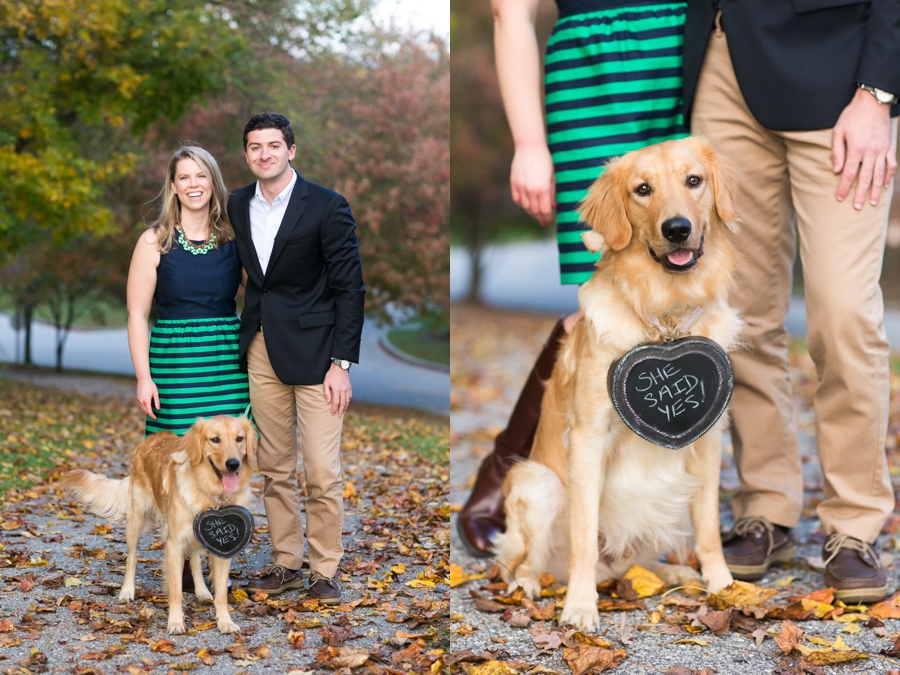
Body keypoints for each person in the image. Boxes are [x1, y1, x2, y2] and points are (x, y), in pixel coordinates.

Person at [683, 4, 900, 602]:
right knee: (742, 314)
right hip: (720, 63)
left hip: (838, 73)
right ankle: (766, 508)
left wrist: (877, 93)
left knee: (844, 314)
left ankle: (854, 524)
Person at [458, 0, 691, 556]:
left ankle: (641, 511)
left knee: (684, 303)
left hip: (688, 59)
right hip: (591, 74)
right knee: (598, 308)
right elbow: (509, 14)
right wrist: (529, 144)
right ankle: (504, 474)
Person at [227, 112, 365, 604]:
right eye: (254, 147)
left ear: (291, 151)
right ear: (246, 154)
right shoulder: (237, 204)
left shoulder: (327, 206)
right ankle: (286, 564)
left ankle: (325, 571)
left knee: (322, 471)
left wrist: (341, 364)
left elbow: (350, 287)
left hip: (318, 356)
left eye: (273, 145)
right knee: (274, 466)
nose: (264, 154)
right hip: (261, 348)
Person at [126, 145, 250, 592]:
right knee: (179, 463)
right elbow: (138, 315)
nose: (194, 184)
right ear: (173, 185)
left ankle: (218, 555)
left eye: (202, 176)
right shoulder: (154, 240)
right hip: (174, 364)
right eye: (185, 177)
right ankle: (179, 558)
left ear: (213, 182)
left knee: (226, 461)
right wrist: (144, 376)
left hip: (224, 362)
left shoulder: (234, 239)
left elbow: (261, 295)